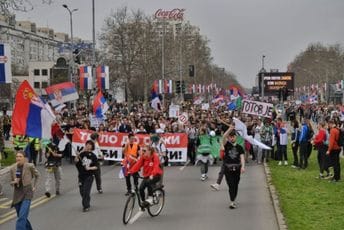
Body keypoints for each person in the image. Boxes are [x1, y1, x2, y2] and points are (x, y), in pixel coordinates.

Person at [10, 150, 40, 230]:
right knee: (22, 217)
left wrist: (34, 186)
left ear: (24, 158)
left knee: (22, 217)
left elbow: (38, 175)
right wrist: (14, 181)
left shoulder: (29, 166)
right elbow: (10, 182)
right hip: (17, 195)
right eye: (17, 156)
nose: (18, 158)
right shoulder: (12, 168)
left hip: (27, 193)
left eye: (20, 156)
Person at [222, 130, 245, 209]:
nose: (232, 138)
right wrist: (229, 129)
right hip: (228, 169)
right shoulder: (227, 145)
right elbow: (223, 137)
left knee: (235, 185)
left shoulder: (239, 147)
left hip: (237, 168)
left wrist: (243, 167)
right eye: (230, 137)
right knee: (231, 185)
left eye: (233, 137)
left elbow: (242, 157)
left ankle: (233, 199)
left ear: (236, 137)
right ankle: (232, 201)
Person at [74, 140, 98, 212]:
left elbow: (96, 166)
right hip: (81, 176)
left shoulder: (93, 156)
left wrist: (89, 168)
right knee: (82, 192)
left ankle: (86, 206)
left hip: (89, 176)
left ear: (92, 146)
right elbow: (76, 161)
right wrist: (78, 154)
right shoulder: (82, 154)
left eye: (90, 144)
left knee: (86, 191)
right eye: (87, 144)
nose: (88, 145)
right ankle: (87, 200)